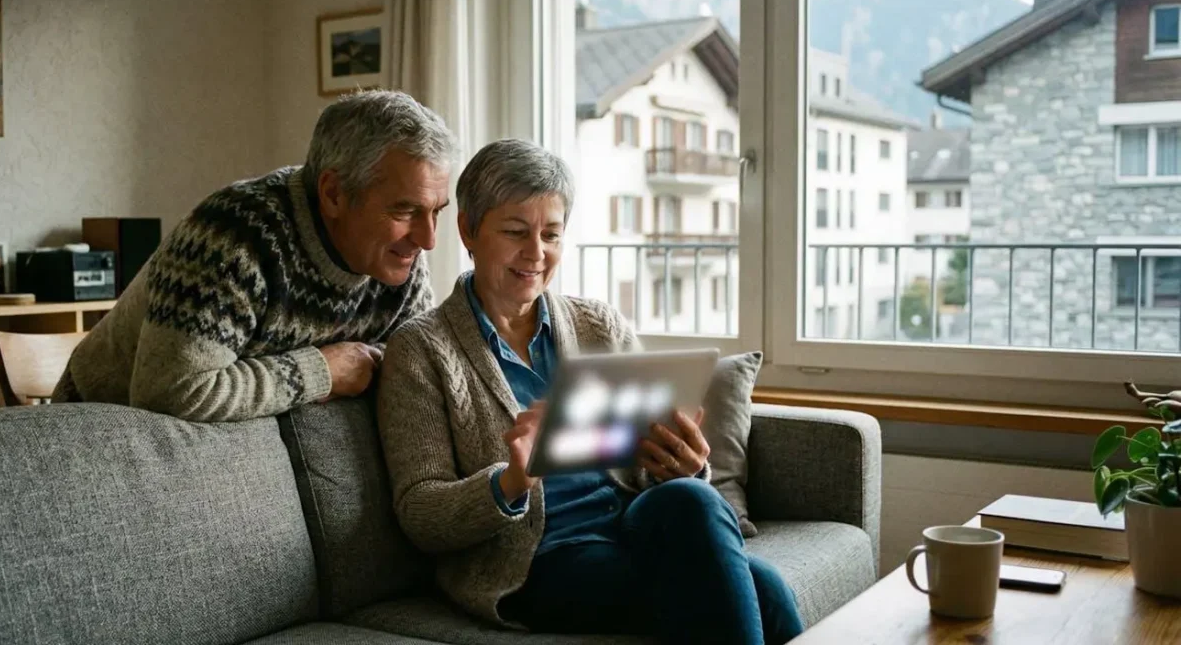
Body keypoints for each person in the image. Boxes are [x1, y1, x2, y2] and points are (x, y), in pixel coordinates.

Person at [377, 140, 804, 644]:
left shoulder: (597, 323)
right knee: (766, 590)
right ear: (469, 229)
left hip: (628, 525)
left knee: (693, 499)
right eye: (515, 232)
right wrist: (512, 480)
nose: (536, 254)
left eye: (551, 235)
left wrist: (683, 463)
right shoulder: (421, 350)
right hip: (538, 561)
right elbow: (421, 513)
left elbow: (646, 460)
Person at [54, 90, 456, 422]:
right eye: (404, 211)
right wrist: (322, 371)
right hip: (98, 429)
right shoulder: (232, 238)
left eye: (437, 211)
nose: (428, 239)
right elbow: (170, 393)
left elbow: (417, 367)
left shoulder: (399, 256)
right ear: (334, 194)